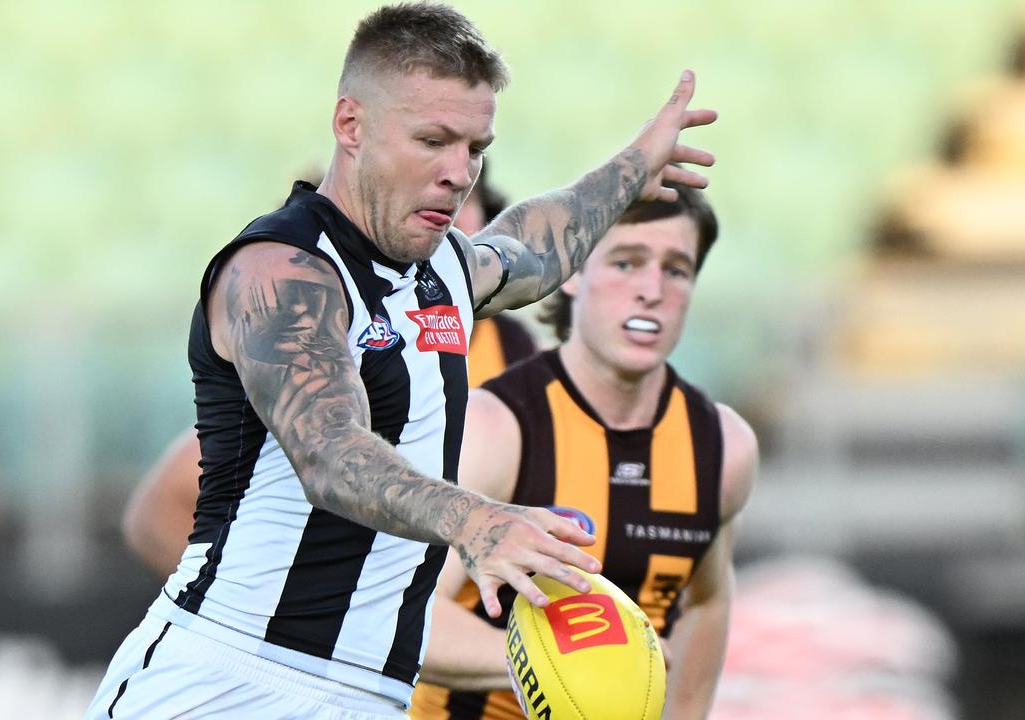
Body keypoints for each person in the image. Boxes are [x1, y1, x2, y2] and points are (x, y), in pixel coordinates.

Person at [86, 3, 717, 718]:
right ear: (351, 125)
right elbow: (329, 454)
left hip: (376, 694)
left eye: (475, 148)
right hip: (231, 680)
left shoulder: (441, 268)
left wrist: (636, 166)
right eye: (432, 140)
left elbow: (539, 248)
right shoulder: (280, 271)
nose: (459, 173)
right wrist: (479, 523)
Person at [408, 184, 757, 720]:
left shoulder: (723, 446)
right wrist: (581, 667)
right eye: (626, 262)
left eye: (676, 269)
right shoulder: (494, 427)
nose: (651, 289)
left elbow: (705, 601)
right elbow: (406, 617)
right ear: (571, 274)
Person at [122, 162, 538, 582]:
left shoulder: (511, 347)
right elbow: (159, 509)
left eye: (465, 201)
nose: (447, 214)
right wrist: (259, 606)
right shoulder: (337, 335)